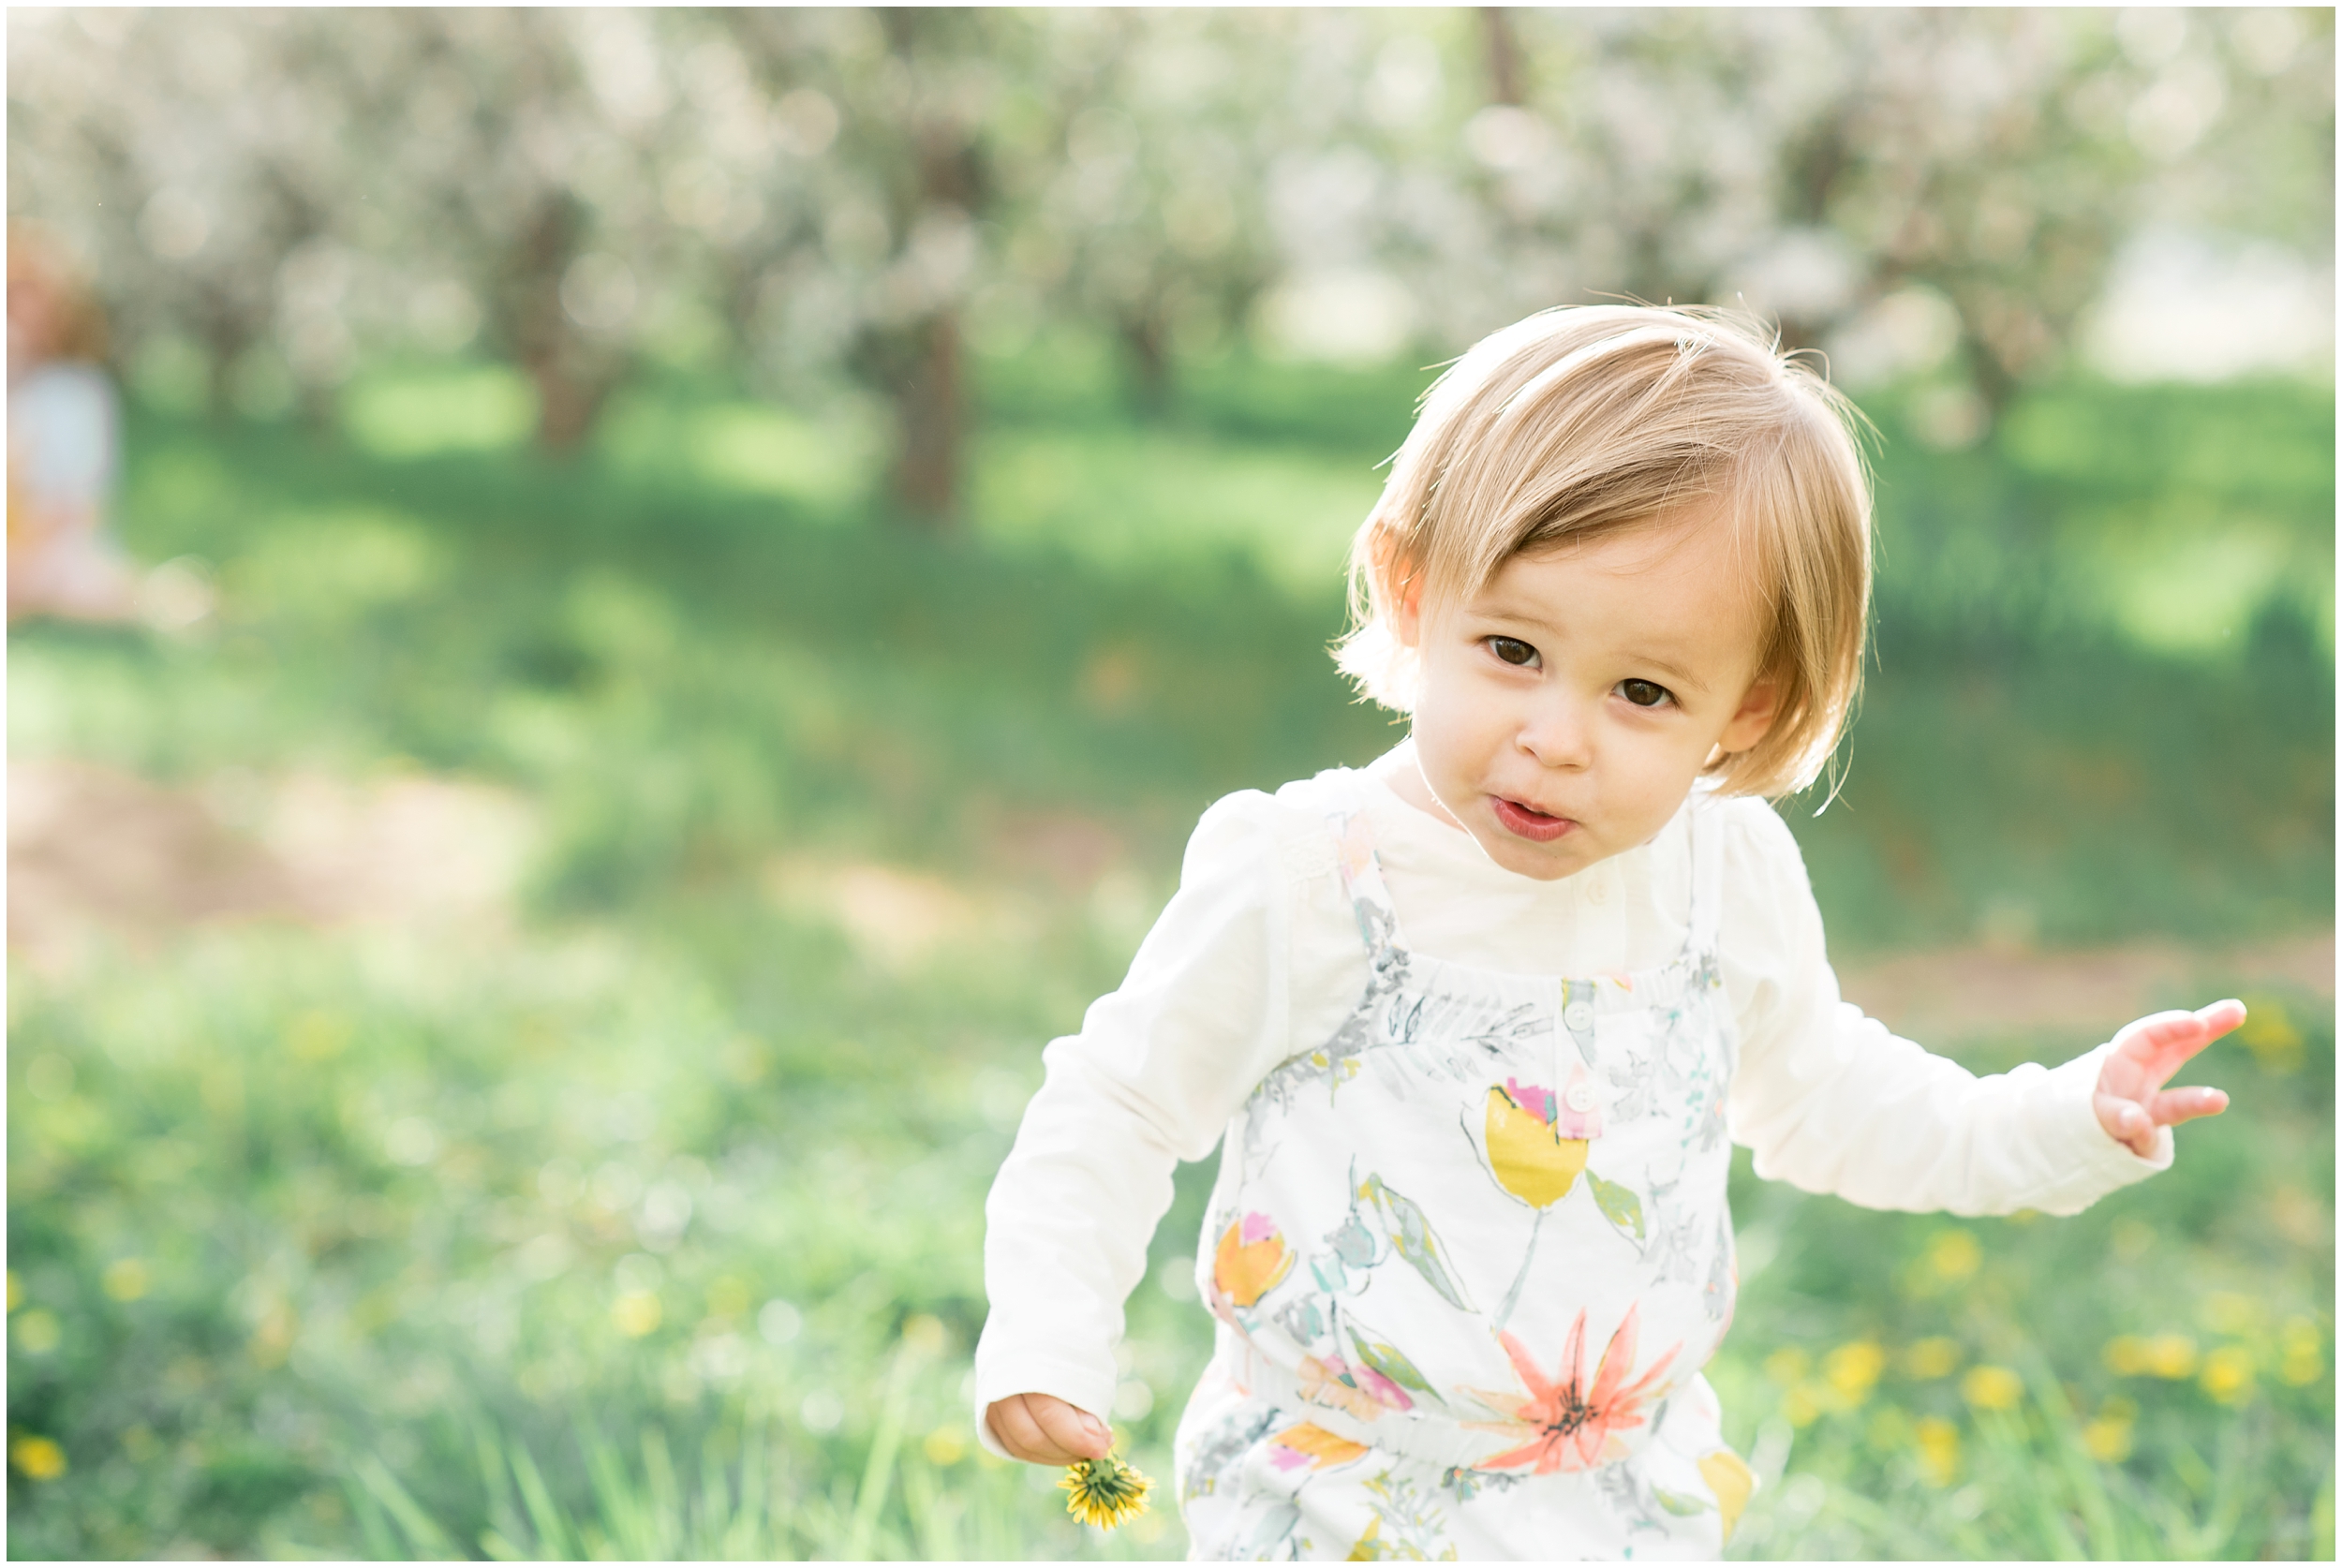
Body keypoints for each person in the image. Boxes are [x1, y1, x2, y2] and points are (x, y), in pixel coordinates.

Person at [971, 304, 2239, 1560]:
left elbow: (1825, 1095)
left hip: (1626, 1495)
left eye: (1643, 690)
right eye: (1514, 648)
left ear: (1745, 708)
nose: (1558, 736)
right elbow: (1123, 1102)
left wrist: (2060, 1122)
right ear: (1417, 596)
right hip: (1333, 1490)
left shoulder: (1717, 874)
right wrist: (1048, 1328)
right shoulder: (1318, 875)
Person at [8, 231, 140, 624]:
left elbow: (82, 506)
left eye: (39, 311)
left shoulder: (80, 393)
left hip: (56, 548)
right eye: (15, 310)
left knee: (83, 581)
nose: (26, 325)